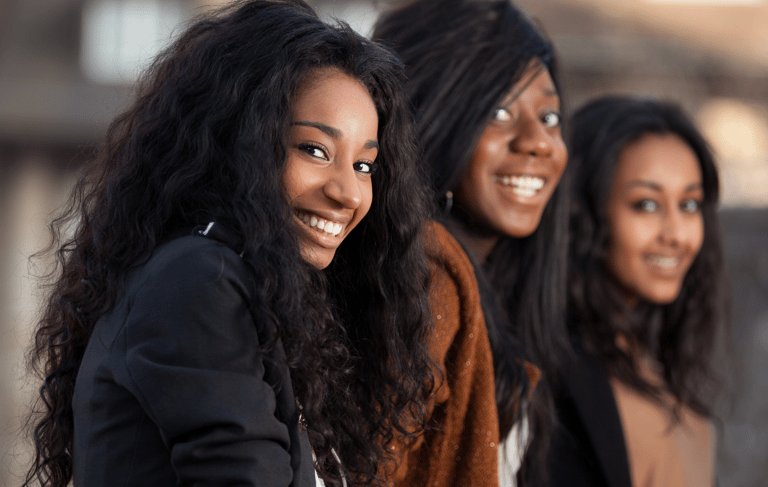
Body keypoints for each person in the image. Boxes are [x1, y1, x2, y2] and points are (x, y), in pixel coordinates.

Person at [22, 1, 436, 486]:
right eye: (314, 150)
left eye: (364, 165)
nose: (347, 191)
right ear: (240, 144)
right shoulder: (199, 281)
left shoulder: (252, 288)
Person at [373, 1, 570, 485]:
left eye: (549, 116)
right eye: (500, 111)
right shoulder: (430, 276)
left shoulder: (475, 278)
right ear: (432, 119)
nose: (539, 142)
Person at [549, 96, 727, 487]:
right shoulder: (553, 381)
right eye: (646, 204)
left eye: (689, 204)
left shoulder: (664, 371)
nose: (676, 235)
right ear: (585, 212)